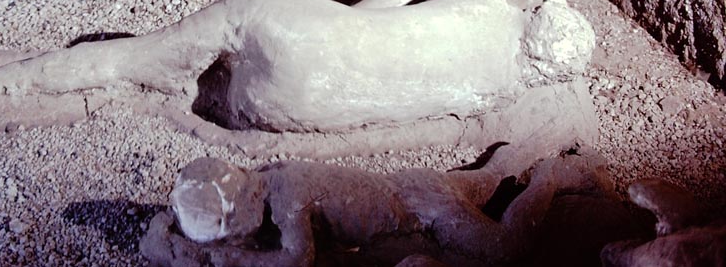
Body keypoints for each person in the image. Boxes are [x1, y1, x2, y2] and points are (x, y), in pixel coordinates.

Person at [0, 0, 595, 133]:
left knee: (140, 53)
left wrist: (352, 17)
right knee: (166, 72)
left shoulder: (485, 3)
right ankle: (157, 83)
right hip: (287, 104)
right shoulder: (503, 82)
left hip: (300, 35)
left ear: (534, 16)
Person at [141, 148, 608, 267]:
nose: (232, 236)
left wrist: (229, 258)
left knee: (506, 248)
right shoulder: (266, 179)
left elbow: (296, 259)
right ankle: (512, 161)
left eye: (229, 227)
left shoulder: (285, 197)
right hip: (411, 187)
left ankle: (552, 177)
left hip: (421, 209)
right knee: (488, 179)